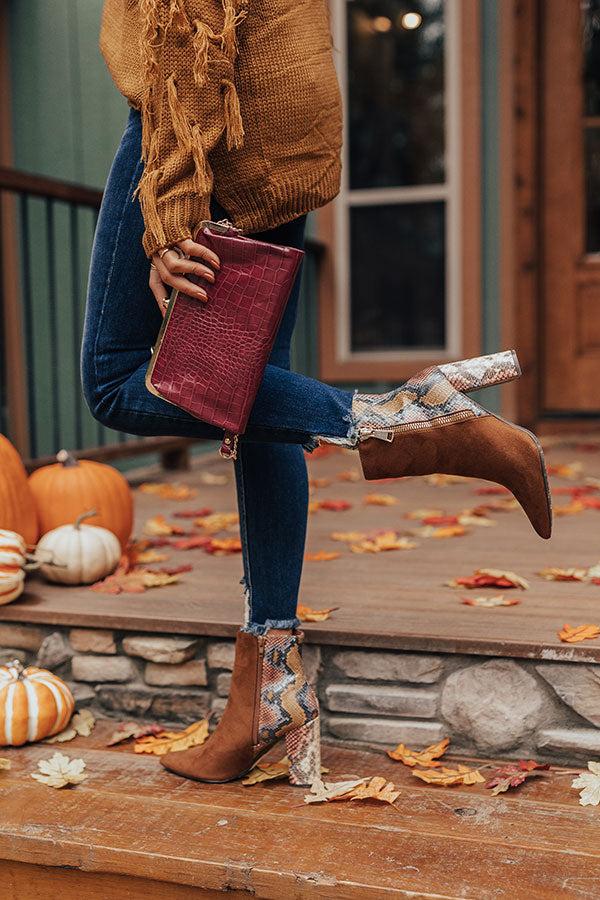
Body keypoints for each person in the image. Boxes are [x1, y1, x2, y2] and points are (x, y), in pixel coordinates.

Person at [83, 0, 552, 788]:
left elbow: (190, 21)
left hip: (201, 123)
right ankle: (268, 691)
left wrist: (168, 216)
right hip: (277, 127)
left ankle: (398, 421)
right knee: (256, 413)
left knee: (117, 380)